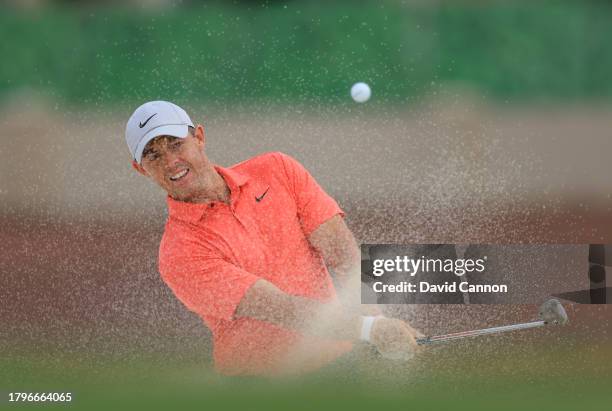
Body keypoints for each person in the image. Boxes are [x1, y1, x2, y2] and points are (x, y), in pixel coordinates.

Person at [125, 100, 421, 376]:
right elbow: (280, 309)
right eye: (153, 154)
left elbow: (343, 256)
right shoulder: (180, 252)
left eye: (176, 145)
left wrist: (377, 322)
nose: (170, 161)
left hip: (341, 365)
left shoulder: (276, 169)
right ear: (141, 169)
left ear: (199, 137)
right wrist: (371, 330)